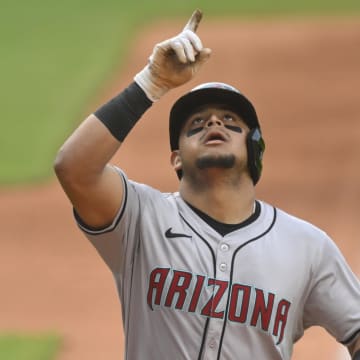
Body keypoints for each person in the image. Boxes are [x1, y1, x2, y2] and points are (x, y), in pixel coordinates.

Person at [54, 9, 360, 360]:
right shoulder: (140, 220)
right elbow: (74, 167)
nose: (214, 122)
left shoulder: (308, 247)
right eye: (196, 124)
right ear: (176, 159)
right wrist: (153, 80)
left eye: (231, 121)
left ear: (254, 147)